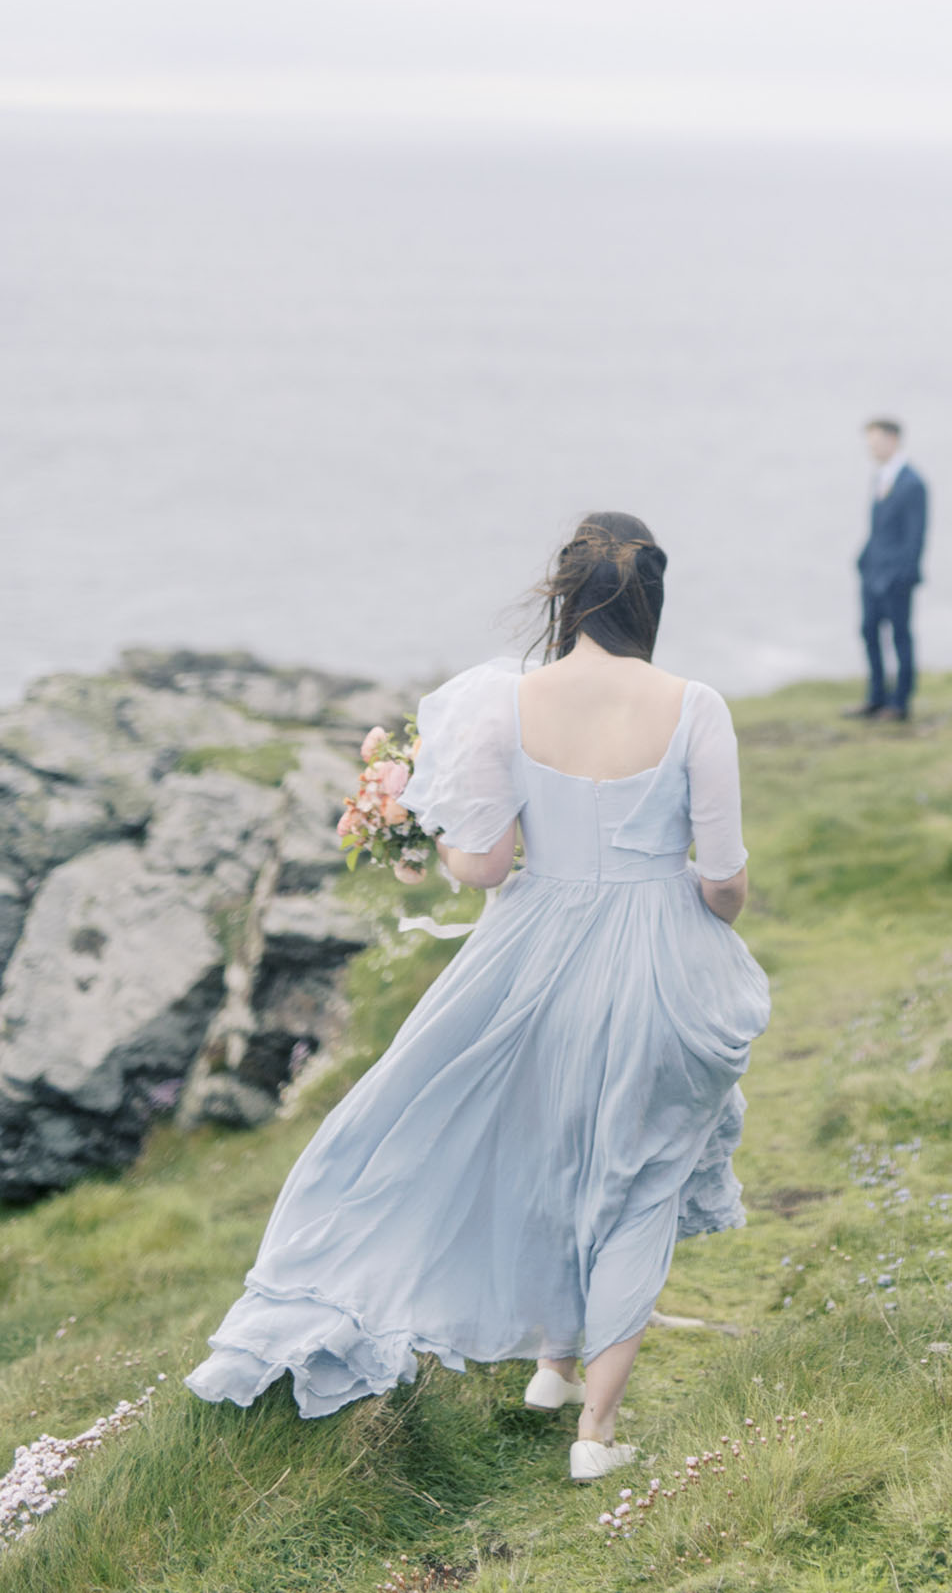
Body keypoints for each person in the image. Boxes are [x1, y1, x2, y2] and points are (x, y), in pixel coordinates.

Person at [186, 513, 769, 1487]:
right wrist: (714, 890)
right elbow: (722, 881)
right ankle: (594, 1428)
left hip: (535, 962)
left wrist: (418, 820)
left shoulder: (507, 703)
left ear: (564, 597)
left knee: (552, 1152)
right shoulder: (696, 705)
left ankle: (551, 1368)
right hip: (657, 963)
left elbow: (486, 863)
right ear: (650, 601)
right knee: (636, 1178)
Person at [849, 418, 928, 722]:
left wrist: (902, 574)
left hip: (896, 578)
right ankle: (875, 696)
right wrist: (863, 559)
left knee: (900, 637)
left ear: (893, 440)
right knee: (869, 632)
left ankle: (900, 702)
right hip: (872, 573)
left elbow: (915, 536)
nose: (872, 448)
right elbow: (877, 529)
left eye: (877, 441)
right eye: (869, 442)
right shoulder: (880, 477)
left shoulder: (913, 483)